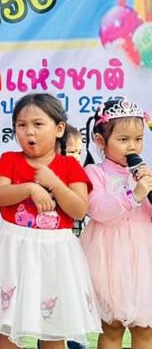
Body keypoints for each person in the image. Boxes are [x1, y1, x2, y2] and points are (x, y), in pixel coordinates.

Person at [0, 93, 101, 348]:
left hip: (55, 254)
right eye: (21, 125)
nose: (29, 131)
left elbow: (79, 209)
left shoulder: (70, 166)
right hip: (13, 251)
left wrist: (54, 182)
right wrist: (30, 188)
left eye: (38, 124)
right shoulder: (9, 160)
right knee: (9, 327)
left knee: (53, 329)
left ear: (59, 129)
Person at [80, 99, 152, 348]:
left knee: (145, 329)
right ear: (101, 141)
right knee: (111, 327)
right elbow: (98, 209)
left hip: (143, 258)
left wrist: (147, 188)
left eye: (138, 139)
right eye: (123, 139)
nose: (132, 146)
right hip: (108, 257)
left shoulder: (145, 174)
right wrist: (134, 195)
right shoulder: (95, 172)